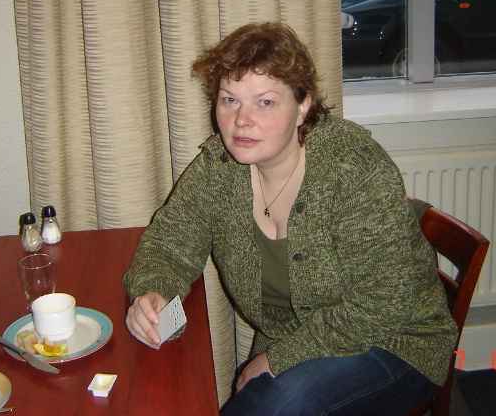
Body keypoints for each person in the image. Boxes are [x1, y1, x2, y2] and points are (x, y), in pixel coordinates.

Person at [124, 22, 457, 415]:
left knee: (272, 407)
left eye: (265, 102)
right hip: (299, 345)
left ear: (303, 106)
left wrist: (280, 358)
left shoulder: (353, 168)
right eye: (229, 100)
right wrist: (154, 294)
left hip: (395, 342)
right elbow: (169, 244)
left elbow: (385, 304)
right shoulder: (218, 169)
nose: (241, 120)